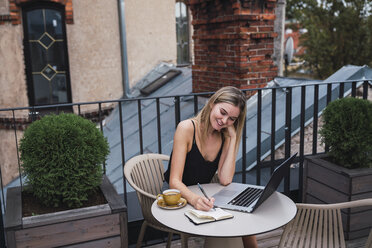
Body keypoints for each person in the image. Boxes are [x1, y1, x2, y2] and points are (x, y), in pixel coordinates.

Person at [164, 86, 258, 248]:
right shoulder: (186, 128)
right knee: (227, 227)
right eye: (223, 112)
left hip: (205, 194)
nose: (224, 121)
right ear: (212, 103)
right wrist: (195, 200)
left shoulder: (224, 135)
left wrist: (233, 138)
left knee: (243, 217)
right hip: (179, 196)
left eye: (232, 119)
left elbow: (225, 179)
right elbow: (174, 181)